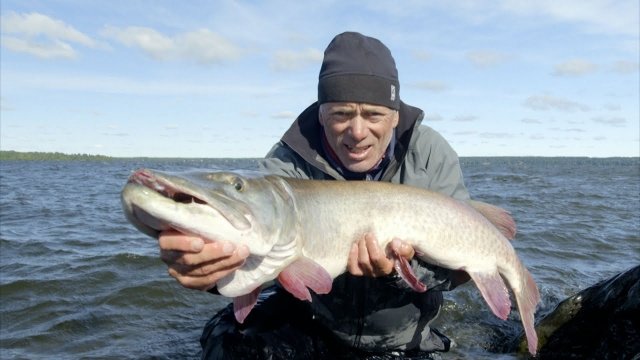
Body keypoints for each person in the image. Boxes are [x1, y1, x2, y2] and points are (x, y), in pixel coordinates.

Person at [158, 31, 471, 359]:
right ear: (321, 113)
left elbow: (463, 266)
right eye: (341, 114)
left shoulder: (431, 154)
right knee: (228, 344)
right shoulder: (286, 164)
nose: (358, 131)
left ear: (395, 115)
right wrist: (207, 266)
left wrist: (399, 272)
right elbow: (246, 236)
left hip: (404, 335)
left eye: (374, 115)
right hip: (312, 322)